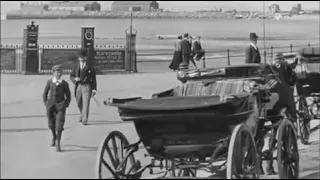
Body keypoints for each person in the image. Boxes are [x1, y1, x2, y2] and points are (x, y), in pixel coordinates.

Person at [263, 52, 299, 175]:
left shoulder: (267, 68)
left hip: (267, 105)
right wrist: (293, 115)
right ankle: (271, 164)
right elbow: (291, 83)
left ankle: (266, 165)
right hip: (282, 104)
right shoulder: (286, 67)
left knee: (269, 130)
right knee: (281, 127)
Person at [43, 64, 71, 152]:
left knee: (59, 125)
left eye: (60, 72)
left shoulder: (64, 83)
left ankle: (58, 142)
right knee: (51, 125)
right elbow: (45, 93)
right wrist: (46, 103)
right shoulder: (50, 82)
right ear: (53, 73)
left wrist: (65, 104)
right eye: (57, 72)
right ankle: (54, 137)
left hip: (60, 107)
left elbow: (68, 95)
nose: (59, 74)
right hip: (51, 106)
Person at [70, 49, 97, 126]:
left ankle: (84, 119)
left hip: (87, 86)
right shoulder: (76, 66)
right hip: (78, 86)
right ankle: (82, 113)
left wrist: (94, 89)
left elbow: (94, 78)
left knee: (86, 103)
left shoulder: (90, 66)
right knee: (79, 102)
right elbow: (71, 76)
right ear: (78, 58)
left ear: (86, 57)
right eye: (80, 57)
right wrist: (75, 79)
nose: (82, 59)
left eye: (83, 57)